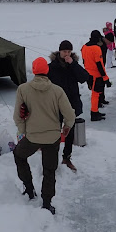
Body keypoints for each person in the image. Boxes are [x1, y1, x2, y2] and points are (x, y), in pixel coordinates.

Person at [13, 57, 75, 214]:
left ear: (34, 70)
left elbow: (17, 116)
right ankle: (47, 203)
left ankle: (28, 188)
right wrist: (66, 128)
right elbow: (70, 115)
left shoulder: (23, 89)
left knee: (19, 155)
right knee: (49, 170)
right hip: (52, 137)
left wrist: (23, 132)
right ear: (46, 71)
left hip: (32, 137)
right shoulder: (57, 91)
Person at [48, 40, 90, 172]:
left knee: (70, 131)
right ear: (59, 51)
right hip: (56, 104)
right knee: (54, 132)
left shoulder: (73, 65)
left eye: (69, 51)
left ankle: (67, 157)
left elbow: (84, 77)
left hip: (71, 103)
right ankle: (52, 159)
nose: (66, 54)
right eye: (64, 51)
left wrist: (73, 65)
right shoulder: (52, 67)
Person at [81, 30, 111, 121]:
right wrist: (105, 78)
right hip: (96, 75)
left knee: (95, 93)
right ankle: (94, 113)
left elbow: (84, 61)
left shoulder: (84, 47)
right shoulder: (96, 48)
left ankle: (95, 111)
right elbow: (100, 65)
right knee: (95, 94)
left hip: (88, 74)